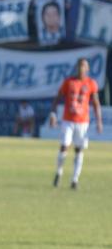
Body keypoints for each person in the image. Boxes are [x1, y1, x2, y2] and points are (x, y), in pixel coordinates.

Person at [50, 57, 102, 190]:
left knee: (79, 150)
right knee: (64, 147)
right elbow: (57, 98)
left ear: (88, 68)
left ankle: (74, 179)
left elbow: (96, 103)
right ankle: (59, 172)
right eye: (80, 65)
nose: (81, 68)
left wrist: (99, 121)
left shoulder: (91, 83)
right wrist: (53, 114)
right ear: (76, 67)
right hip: (68, 120)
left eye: (84, 66)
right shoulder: (69, 82)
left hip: (83, 122)